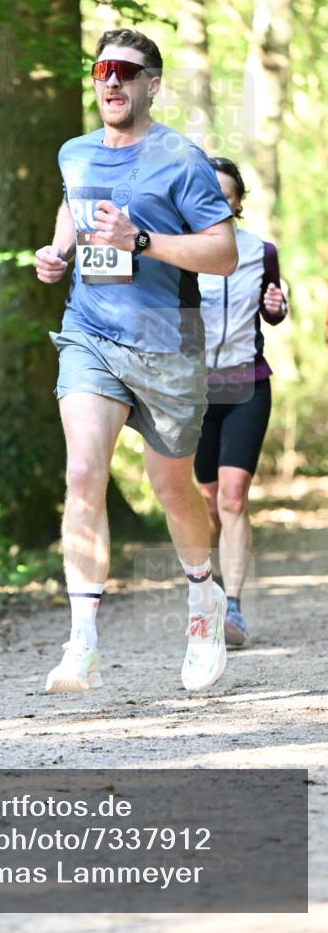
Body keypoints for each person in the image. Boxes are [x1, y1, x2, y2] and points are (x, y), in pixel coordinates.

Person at [34, 27, 238, 695]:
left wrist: (142, 240)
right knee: (82, 470)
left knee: (171, 488)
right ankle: (81, 644)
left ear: (152, 83)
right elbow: (74, 207)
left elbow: (222, 254)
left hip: (166, 341)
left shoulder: (183, 160)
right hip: (88, 333)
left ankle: (203, 601)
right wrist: (57, 250)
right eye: (101, 70)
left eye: (127, 71)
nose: (112, 82)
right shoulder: (73, 152)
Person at [195, 157, 287, 646]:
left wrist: (278, 308)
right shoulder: (181, 250)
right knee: (209, 502)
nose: (215, 201)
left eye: (224, 195)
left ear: (237, 203)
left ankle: (233, 607)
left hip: (247, 383)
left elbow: (274, 307)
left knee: (233, 496)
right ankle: (207, 590)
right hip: (195, 391)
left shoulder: (260, 251)